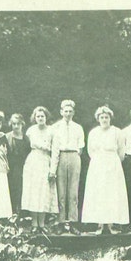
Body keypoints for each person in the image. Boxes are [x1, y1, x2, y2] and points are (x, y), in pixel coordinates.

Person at [81, 105, 129, 235]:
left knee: (112, 193)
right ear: (98, 119)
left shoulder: (117, 132)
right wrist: (99, 160)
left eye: (106, 117)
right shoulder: (93, 133)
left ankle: (112, 224)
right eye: (101, 117)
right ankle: (100, 224)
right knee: (99, 193)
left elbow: (121, 151)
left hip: (113, 164)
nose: (104, 119)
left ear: (110, 118)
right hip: (97, 165)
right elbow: (90, 151)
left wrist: (112, 161)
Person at [49, 99, 85, 235]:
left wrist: (73, 156)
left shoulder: (78, 128)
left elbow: (81, 148)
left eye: (70, 111)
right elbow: (54, 148)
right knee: (61, 191)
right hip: (61, 156)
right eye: (66, 111)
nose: (68, 113)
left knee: (73, 192)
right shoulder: (55, 127)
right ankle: (61, 222)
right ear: (61, 112)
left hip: (74, 156)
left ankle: (73, 222)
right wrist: (54, 167)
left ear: (73, 112)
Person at [22, 106, 58, 234]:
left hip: (45, 161)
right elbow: (25, 148)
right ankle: (34, 223)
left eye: (42, 116)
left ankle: (42, 223)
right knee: (33, 191)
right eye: (38, 116)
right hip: (33, 161)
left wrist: (52, 170)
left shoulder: (52, 131)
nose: (40, 118)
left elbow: (55, 151)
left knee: (43, 192)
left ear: (46, 117)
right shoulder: (30, 131)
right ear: (34, 118)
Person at [6, 113, 31, 218]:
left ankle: (21, 215)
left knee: (22, 190)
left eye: (18, 124)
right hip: (10, 168)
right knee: (11, 190)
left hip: (23, 167)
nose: (16, 126)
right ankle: (11, 215)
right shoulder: (6, 137)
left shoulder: (26, 139)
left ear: (22, 124)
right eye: (14, 124)